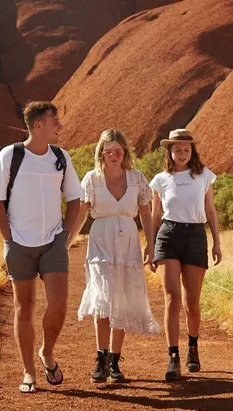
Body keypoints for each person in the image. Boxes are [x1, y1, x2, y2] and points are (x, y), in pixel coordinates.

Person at [0, 101, 83, 393]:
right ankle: (29, 372)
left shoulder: (61, 157)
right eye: (55, 121)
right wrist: (9, 238)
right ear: (38, 125)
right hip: (19, 243)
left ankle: (47, 352)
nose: (61, 127)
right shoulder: (10, 156)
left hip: (53, 241)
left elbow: (76, 200)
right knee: (24, 307)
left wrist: (64, 236)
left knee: (58, 304)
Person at [76, 129, 160, 383]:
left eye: (118, 151)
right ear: (101, 153)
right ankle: (100, 359)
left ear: (125, 153)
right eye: (108, 151)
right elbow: (81, 214)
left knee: (121, 299)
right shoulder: (92, 179)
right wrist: (67, 241)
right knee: (103, 299)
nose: (113, 155)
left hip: (128, 245)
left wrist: (151, 244)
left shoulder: (136, 179)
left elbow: (145, 213)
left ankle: (114, 361)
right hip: (100, 242)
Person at [147, 129, 223, 381]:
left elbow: (210, 211)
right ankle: (173, 357)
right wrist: (150, 245)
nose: (182, 153)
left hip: (195, 236)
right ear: (169, 151)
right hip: (168, 235)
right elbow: (155, 215)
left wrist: (216, 243)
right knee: (172, 298)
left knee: (192, 303)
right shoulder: (160, 179)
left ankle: (192, 347)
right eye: (177, 149)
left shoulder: (203, 176)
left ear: (192, 152)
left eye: (186, 149)